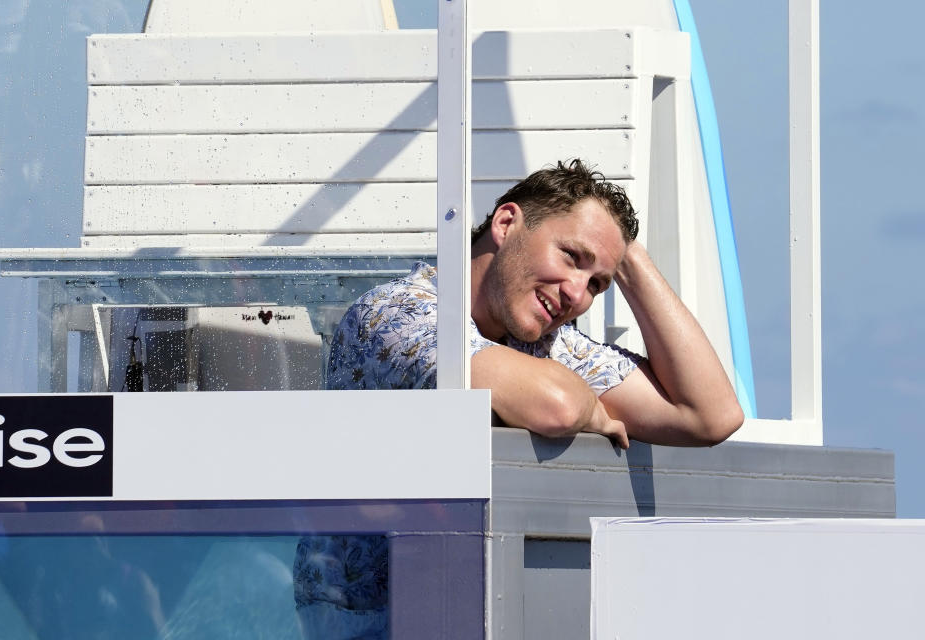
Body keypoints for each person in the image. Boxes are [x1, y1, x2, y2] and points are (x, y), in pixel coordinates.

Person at [294, 159, 744, 638]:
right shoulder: (397, 313)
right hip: (360, 618)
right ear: (506, 224)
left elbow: (711, 415)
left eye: (597, 283)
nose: (577, 293)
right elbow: (558, 405)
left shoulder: (544, 341)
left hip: (469, 600)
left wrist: (627, 255)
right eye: (572, 256)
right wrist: (591, 409)